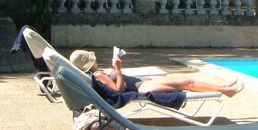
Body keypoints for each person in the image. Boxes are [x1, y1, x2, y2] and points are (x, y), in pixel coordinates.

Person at [69, 49, 244, 97]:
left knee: (186, 81)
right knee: (188, 83)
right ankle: (225, 90)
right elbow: (118, 92)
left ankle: (223, 87)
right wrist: (118, 70)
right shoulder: (98, 76)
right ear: (90, 63)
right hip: (142, 88)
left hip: (142, 83)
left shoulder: (98, 74)